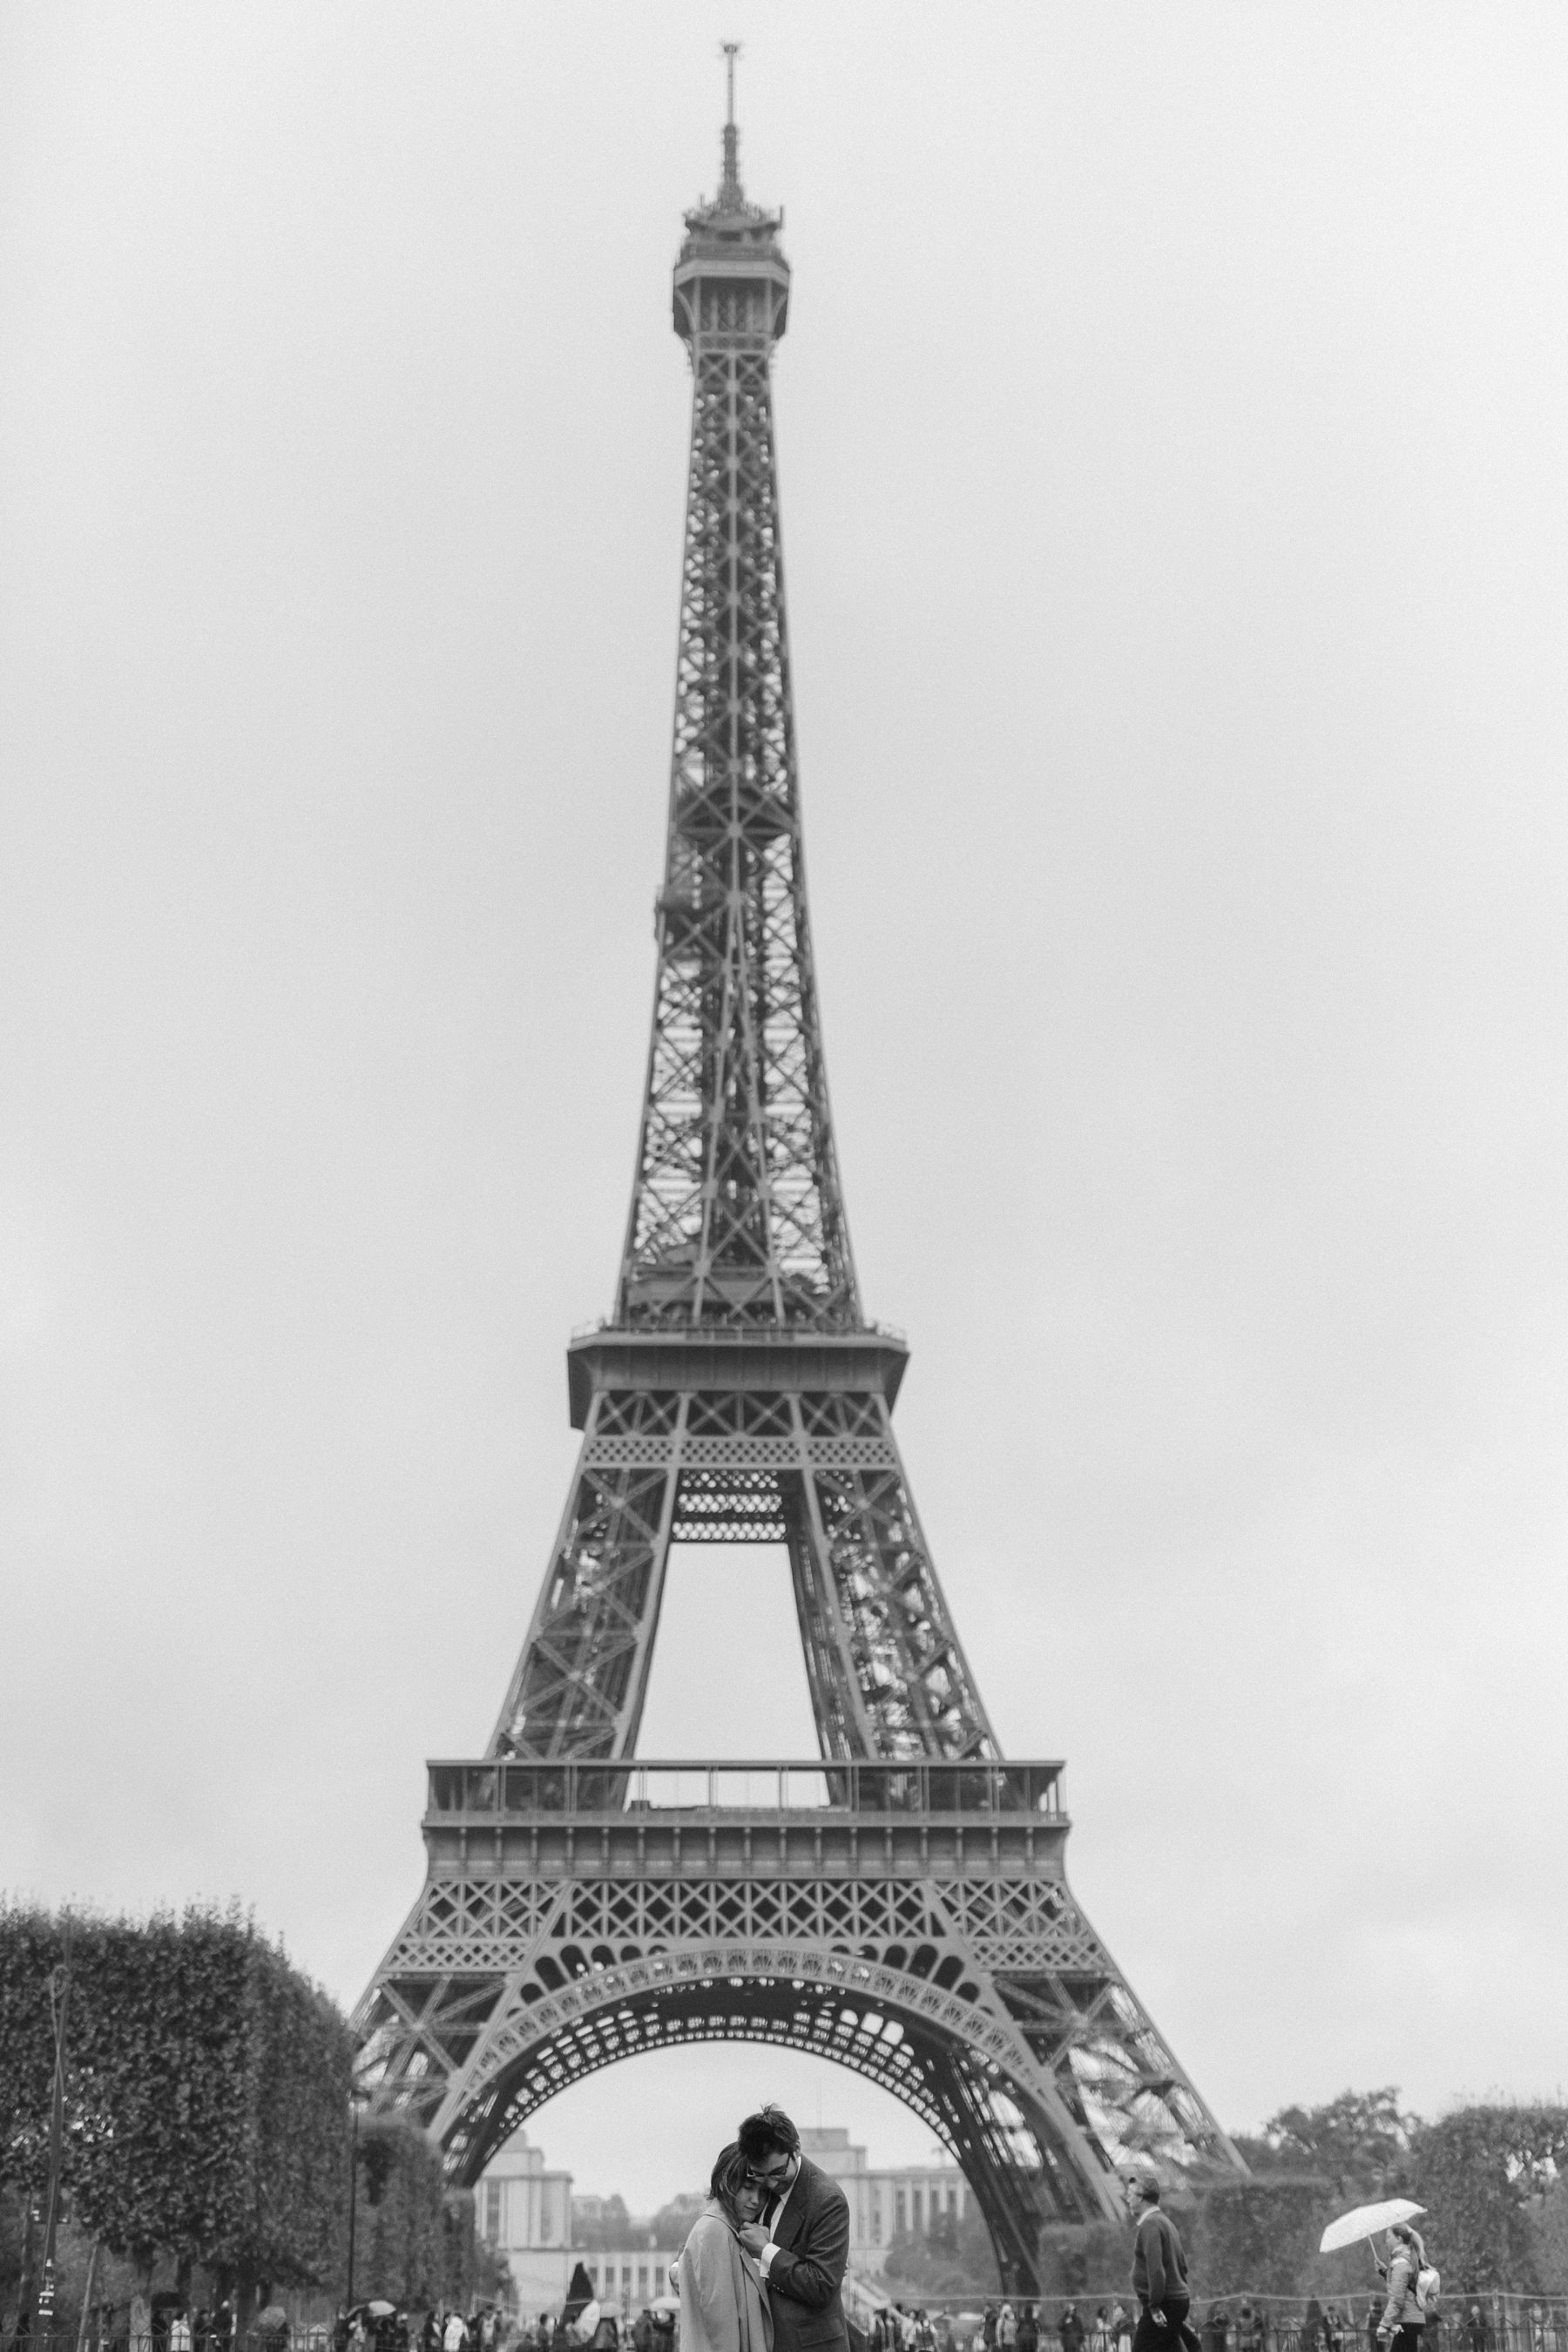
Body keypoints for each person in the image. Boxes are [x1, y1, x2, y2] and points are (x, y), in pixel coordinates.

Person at [733, 2105, 851, 2352]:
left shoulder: (827, 2200)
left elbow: (821, 2285)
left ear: (796, 2149)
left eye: (777, 2172)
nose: (771, 2183)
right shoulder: (758, 2186)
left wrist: (765, 2250)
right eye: (760, 2174)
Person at [675, 2140, 774, 2352]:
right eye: (748, 2188)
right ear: (725, 2183)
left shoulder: (726, 2229)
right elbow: (721, 2326)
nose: (756, 2200)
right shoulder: (715, 2231)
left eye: (763, 2192)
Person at [1124, 2167, 1199, 2352]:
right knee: (1185, 2346)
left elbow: (1156, 2269)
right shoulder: (1165, 2222)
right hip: (1176, 2300)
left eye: (1130, 2195)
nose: (1127, 2199)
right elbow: (1182, 2266)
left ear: (1141, 2198)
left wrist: (1155, 2306)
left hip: (1164, 2303)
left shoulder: (1150, 2225)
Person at [1375, 2228, 1428, 2352]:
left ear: (1398, 2239)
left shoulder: (1400, 2263)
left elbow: (1397, 2299)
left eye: (1388, 2237)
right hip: (1412, 2320)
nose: (1386, 2241)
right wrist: (1384, 2272)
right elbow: (1404, 2286)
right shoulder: (1407, 2259)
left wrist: (1385, 2324)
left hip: (1407, 2320)